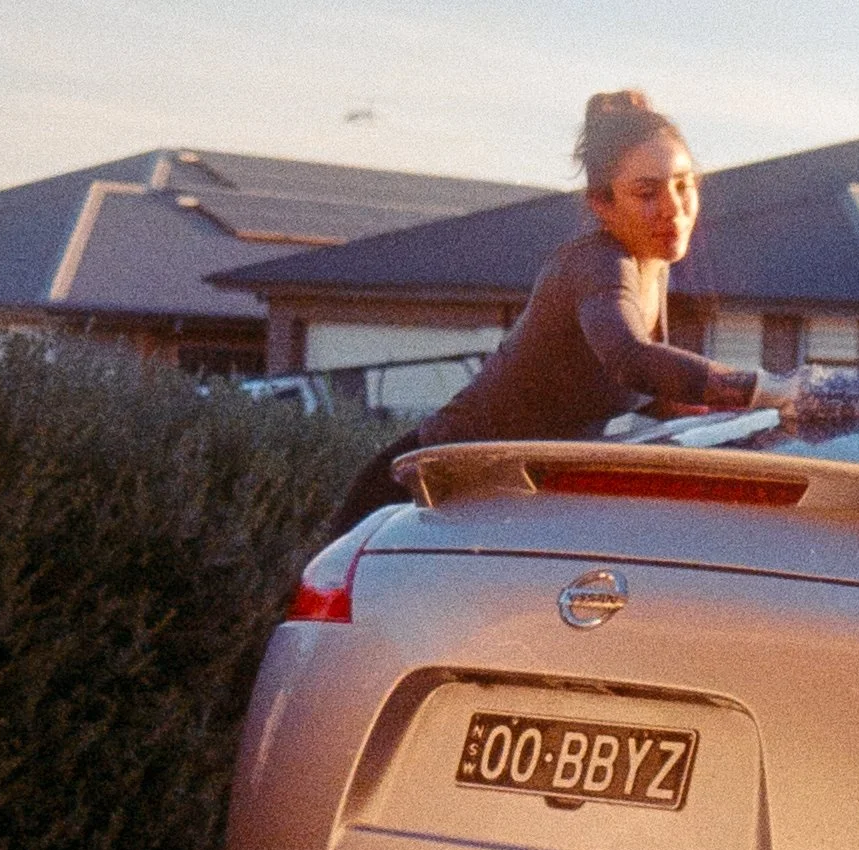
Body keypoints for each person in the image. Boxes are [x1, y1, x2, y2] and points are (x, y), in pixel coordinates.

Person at [320, 88, 792, 540]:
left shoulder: (652, 266)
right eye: (647, 193)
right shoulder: (597, 264)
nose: (674, 208)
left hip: (498, 498)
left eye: (684, 186)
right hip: (422, 489)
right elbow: (630, 359)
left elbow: (655, 394)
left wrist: (765, 418)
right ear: (602, 205)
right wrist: (771, 387)